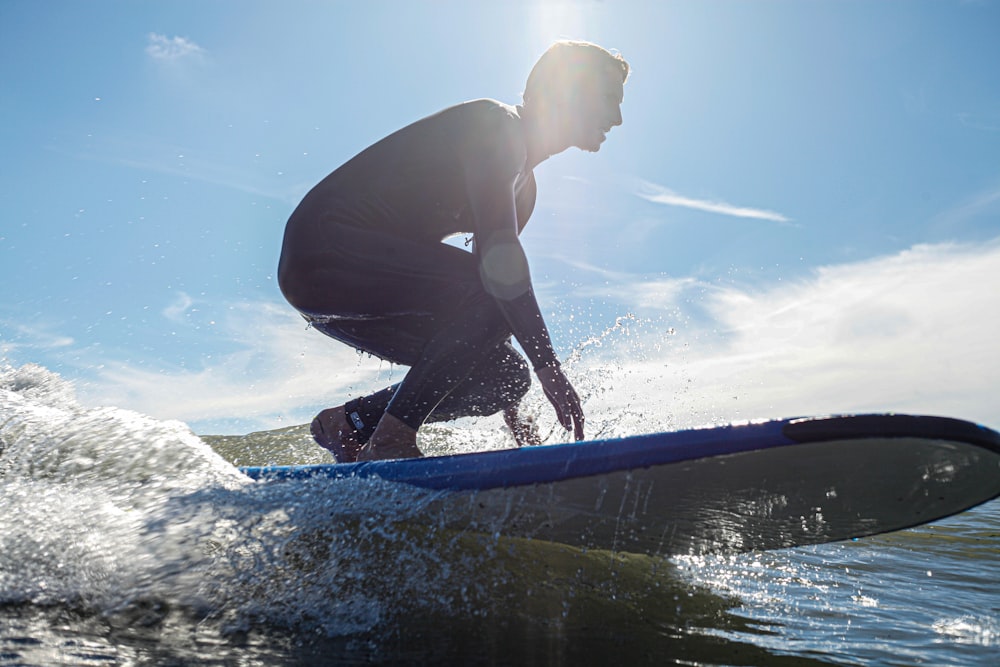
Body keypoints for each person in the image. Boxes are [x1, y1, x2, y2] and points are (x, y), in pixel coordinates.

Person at [277, 40, 629, 462]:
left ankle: (351, 424)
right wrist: (549, 367)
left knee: (507, 376)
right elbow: (498, 273)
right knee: (493, 292)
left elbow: (487, 305)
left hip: (350, 288)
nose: (617, 118)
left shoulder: (525, 192)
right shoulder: (496, 125)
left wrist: (511, 407)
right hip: (323, 248)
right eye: (610, 99)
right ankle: (392, 440)